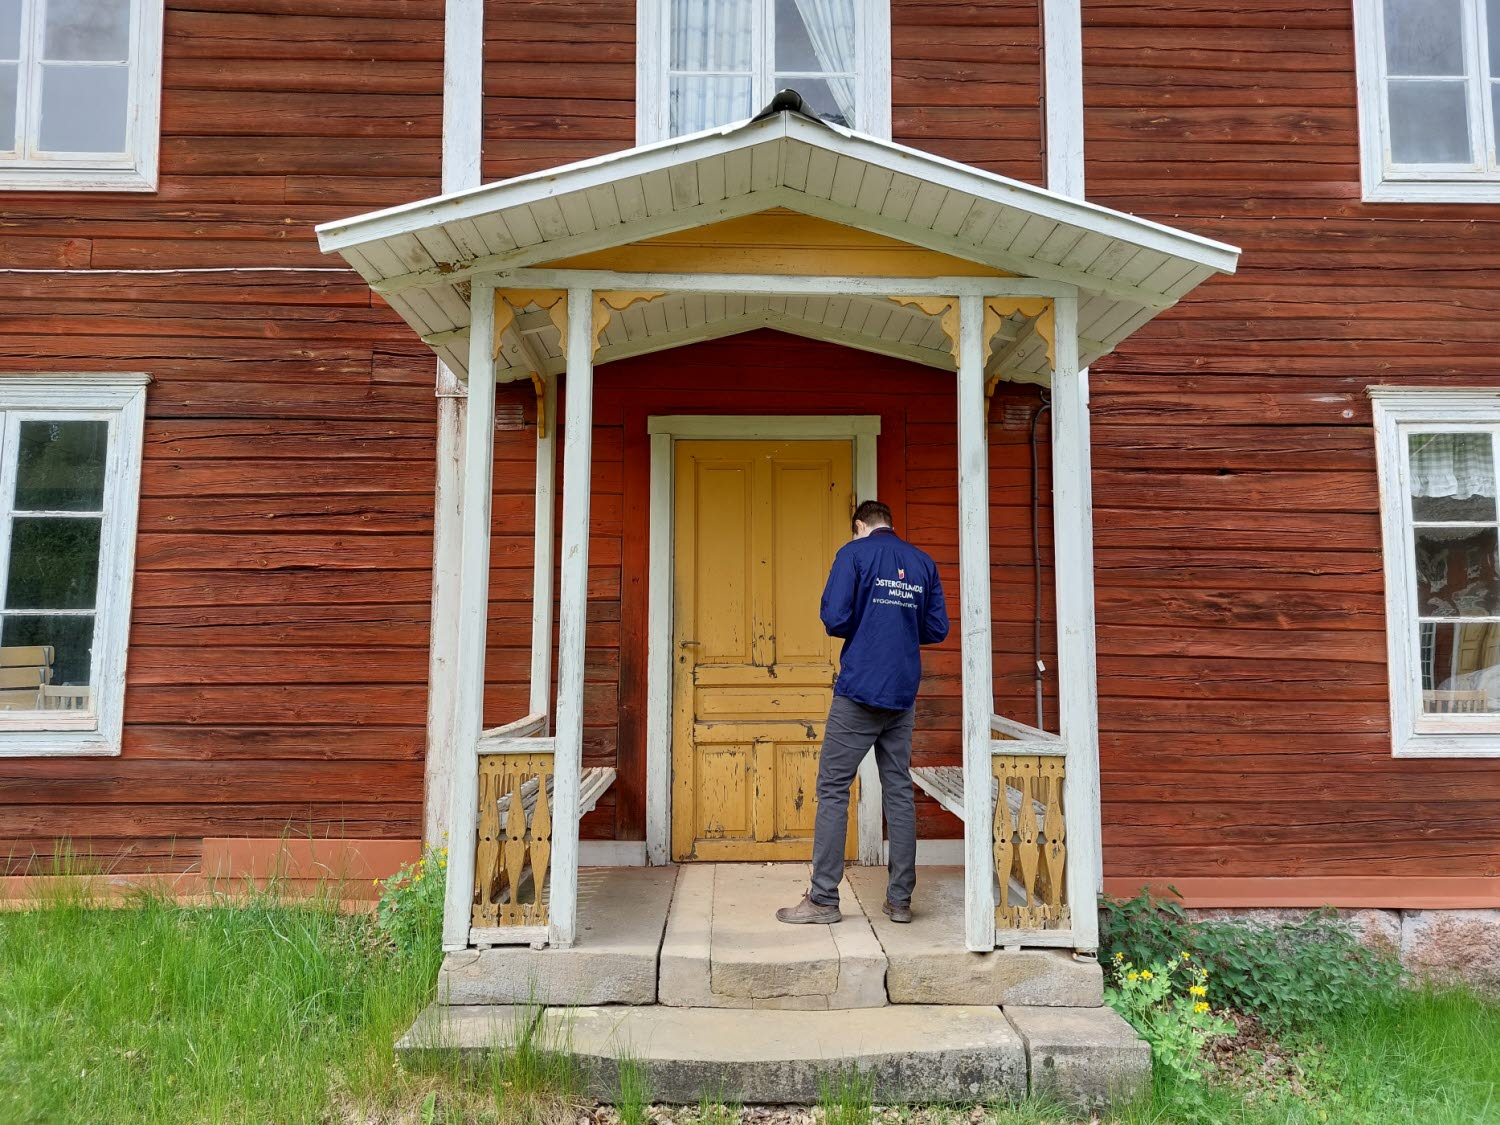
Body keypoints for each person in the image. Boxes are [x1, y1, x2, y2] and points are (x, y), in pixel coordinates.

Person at [776, 499, 949, 926]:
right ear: (888, 523)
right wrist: (897, 621)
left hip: (859, 692)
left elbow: (834, 618)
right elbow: (936, 628)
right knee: (898, 791)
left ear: (860, 525)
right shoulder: (922, 561)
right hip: (902, 695)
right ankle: (900, 902)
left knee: (834, 788)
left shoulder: (853, 554)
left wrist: (871, 619)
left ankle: (823, 901)